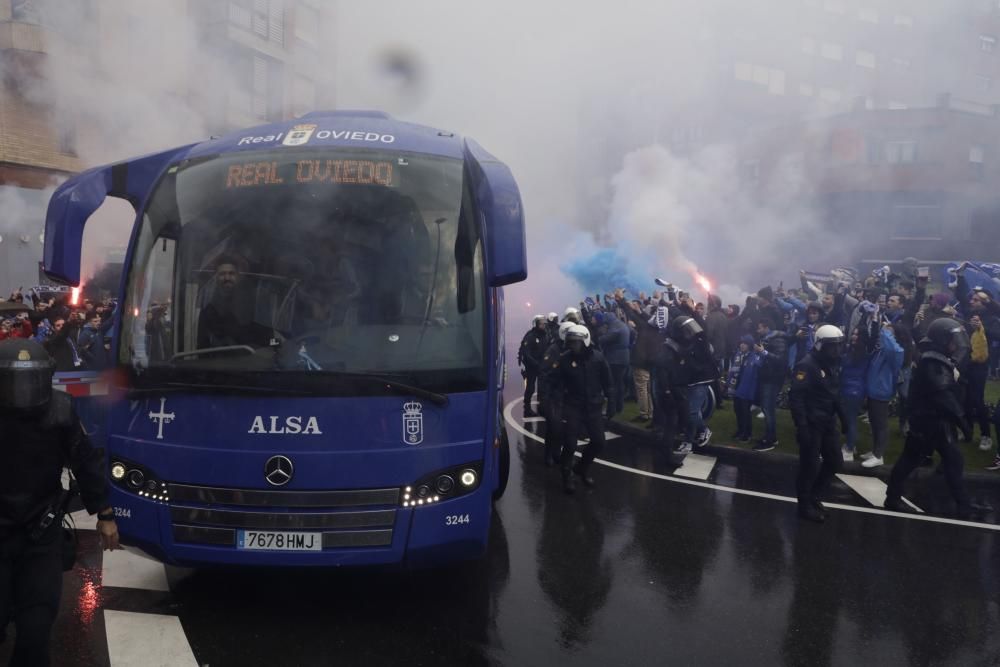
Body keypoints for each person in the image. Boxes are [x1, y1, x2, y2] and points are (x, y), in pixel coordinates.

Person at [0, 339, 119, 666]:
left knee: (36, 628)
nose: (22, 391)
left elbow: (85, 462)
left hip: (40, 532)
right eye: (14, 382)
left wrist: (104, 512)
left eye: (30, 382)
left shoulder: (60, 410)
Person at [885, 318, 976, 518]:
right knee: (909, 461)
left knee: (953, 461)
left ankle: (964, 504)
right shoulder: (932, 362)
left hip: (936, 421)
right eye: (952, 339)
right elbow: (943, 396)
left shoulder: (937, 358)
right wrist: (963, 422)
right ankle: (892, 498)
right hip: (927, 422)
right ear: (943, 340)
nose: (956, 344)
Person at [788, 324, 844, 523]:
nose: (836, 350)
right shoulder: (807, 364)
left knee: (835, 461)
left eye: (838, 346)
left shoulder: (831, 364)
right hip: (811, 423)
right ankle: (804, 504)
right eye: (832, 346)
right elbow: (796, 397)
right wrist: (801, 426)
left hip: (828, 421)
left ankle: (815, 496)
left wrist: (843, 419)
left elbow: (833, 394)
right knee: (809, 466)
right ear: (820, 345)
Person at [550, 325, 613, 493]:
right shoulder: (564, 360)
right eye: (570, 343)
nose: (573, 346)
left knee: (599, 442)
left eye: (576, 343)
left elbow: (608, 382)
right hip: (572, 406)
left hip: (593, 407)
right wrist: (553, 404)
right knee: (570, 444)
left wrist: (611, 401)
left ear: (585, 341)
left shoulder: (598, 359)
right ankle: (567, 475)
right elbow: (553, 382)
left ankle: (582, 468)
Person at [859, 323, 904, 468]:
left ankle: (879, 455)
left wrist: (887, 333)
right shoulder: (880, 351)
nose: (883, 335)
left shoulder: (895, 352)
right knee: (874, 423)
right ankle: (875, 451)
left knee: (881, 425)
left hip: (881, 392)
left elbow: (894, 349)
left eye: (889, 333)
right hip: (873, 391)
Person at [538, 321, 574, 466]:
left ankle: (558, 454)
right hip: (555, 395)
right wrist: (544, 397)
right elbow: (544, 373)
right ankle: (549, 454)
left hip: (569, 395)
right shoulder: (553, 349)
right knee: (554, 427)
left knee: (566, 429)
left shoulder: (573, 350)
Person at [753, 318, 788, 452]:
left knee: (768, 410)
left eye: (760, 327)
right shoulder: (768, 338)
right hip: (767, 377)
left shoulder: (778, 340)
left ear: (767, 328)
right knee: (766, 408)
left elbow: (780, 360)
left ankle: (771, 440)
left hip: (772, 379)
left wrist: (763, 352)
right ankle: (769, 436)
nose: (758, 330)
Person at [518, 315, 548, 417]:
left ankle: (543, 408)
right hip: (531, 367)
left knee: (544, 387)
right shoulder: (530, 336)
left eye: (544, 323)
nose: (544, 325)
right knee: (530, 388)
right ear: (536, 324)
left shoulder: (545, 335)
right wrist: (536, 364)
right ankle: (527, 408)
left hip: (542, 366)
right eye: (541, 323)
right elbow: (526, 353)